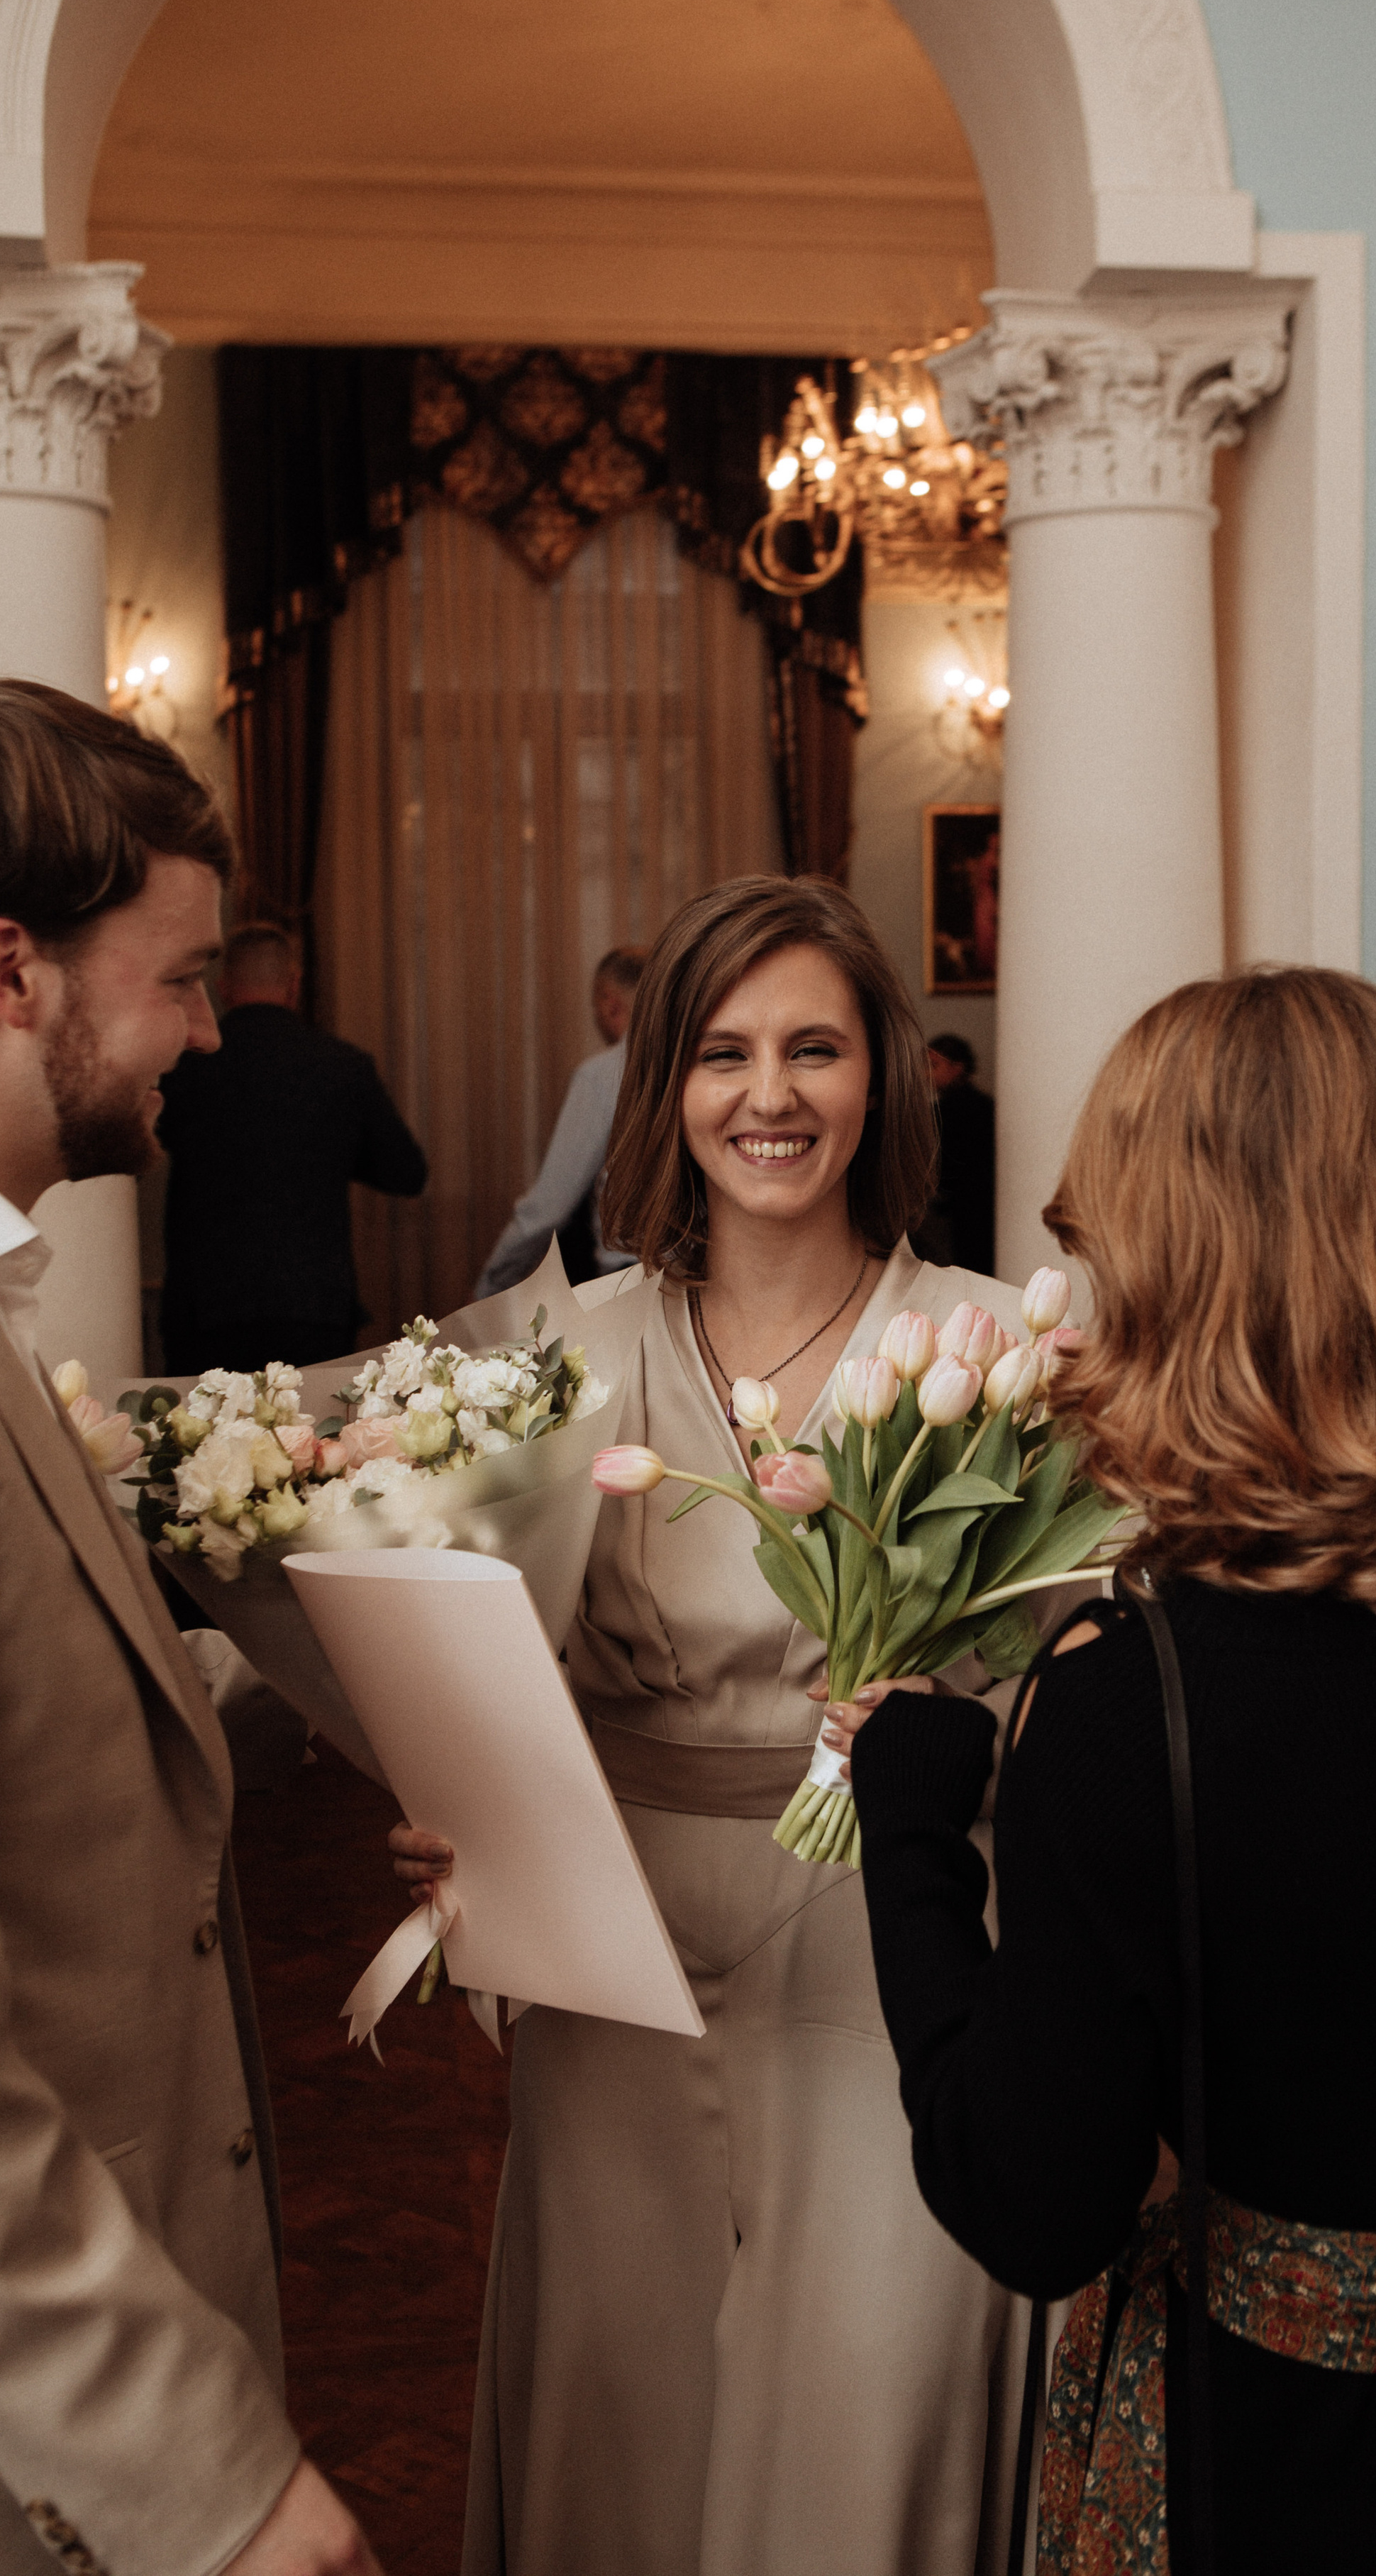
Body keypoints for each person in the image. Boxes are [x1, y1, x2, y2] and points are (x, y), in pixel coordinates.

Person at [844, 966, 1376, 2575]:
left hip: (1293, 2469)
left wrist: (912, 1826)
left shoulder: (1131, 1699)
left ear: (1180, 1278)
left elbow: (1031, 2201)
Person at [393, 877, 1035, 2576]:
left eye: (813, 1047)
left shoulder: (991, 1343)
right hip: (621, 1956)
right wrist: (460, 1800)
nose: (770, 1095)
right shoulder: (546, 1350)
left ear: (880, 1075)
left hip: (893, 1943)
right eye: (724, 1051)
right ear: (659, 1081)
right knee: (624, 2412)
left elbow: (1074, 1667)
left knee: (871, 2406)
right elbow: (462, 1650)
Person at [0, 678, 380, 2576]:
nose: (209, 1027)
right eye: (178, 975)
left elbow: (42, 1765)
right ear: (10, 970)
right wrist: (210, 2487)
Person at [158, 919, 427, 1373]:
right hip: (313, 1305)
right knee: (313, 1441)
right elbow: (407, 1172)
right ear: (294, 984)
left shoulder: (184, 1069)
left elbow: (145, 1147)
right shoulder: (342, 1067)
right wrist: (330, 1147)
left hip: (205, 1309)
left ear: (222, 988)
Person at [473, 943, 649, 1296]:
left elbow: (548, 1209)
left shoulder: (603, 1076)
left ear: (609, 1003)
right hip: (702, 1281)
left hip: (630, 1284)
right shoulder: (700, 1065)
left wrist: (491, 1287)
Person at [910, 1032, 996, 1275]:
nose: (926, 1073)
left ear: (957, 1068)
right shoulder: (986, 1105)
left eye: (934, 1066)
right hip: (980, 1206)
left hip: (960, 1209)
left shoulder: (946, 1112)